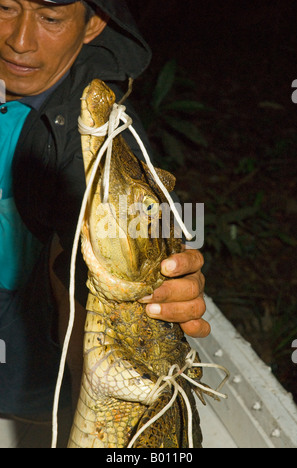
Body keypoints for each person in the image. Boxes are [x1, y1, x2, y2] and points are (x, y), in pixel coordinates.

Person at [0, 0, 209, 428]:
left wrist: (170, 279)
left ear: (94, 23)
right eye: (4, 7)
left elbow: (116, 254)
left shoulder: (104, 137)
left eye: (51, 17)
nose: (19, 41)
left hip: (23, 359)